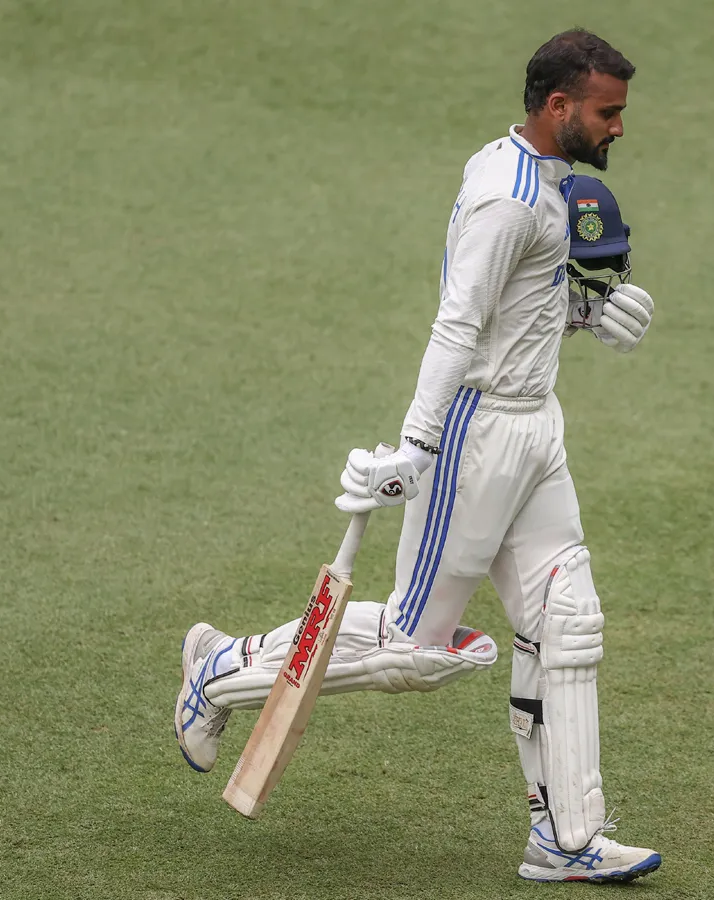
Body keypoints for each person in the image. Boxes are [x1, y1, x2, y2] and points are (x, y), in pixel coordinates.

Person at [175, 29, 660, 883]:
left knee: (568, 624)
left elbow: (522, 310)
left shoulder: (545, 183)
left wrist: (590, 317)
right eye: (606, 111)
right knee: (412, 650)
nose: (618, 126)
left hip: (536, 427)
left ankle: (567, 840)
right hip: (475, 438)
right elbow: (460, 324)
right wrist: (418, 446)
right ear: (558, 107)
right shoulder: (506, 199)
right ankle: (221, 669)